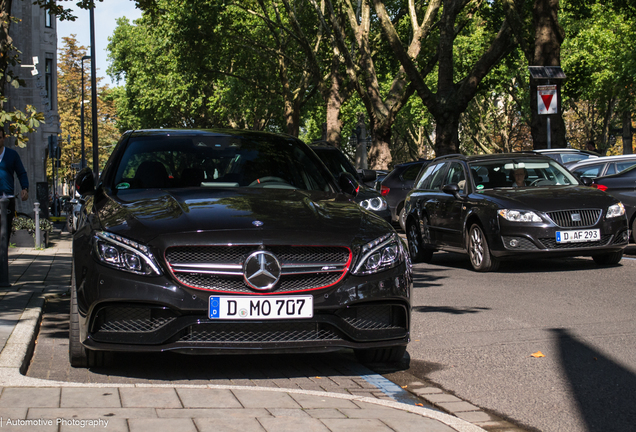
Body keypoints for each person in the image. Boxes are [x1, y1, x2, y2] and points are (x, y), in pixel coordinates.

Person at [0, 129, 29, 245]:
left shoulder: (12, 155)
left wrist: (25, 188)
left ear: (4, 138)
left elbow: (21, 173)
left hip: (8, 199)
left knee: (5, 233)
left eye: (0, 137)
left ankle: (3, 261)